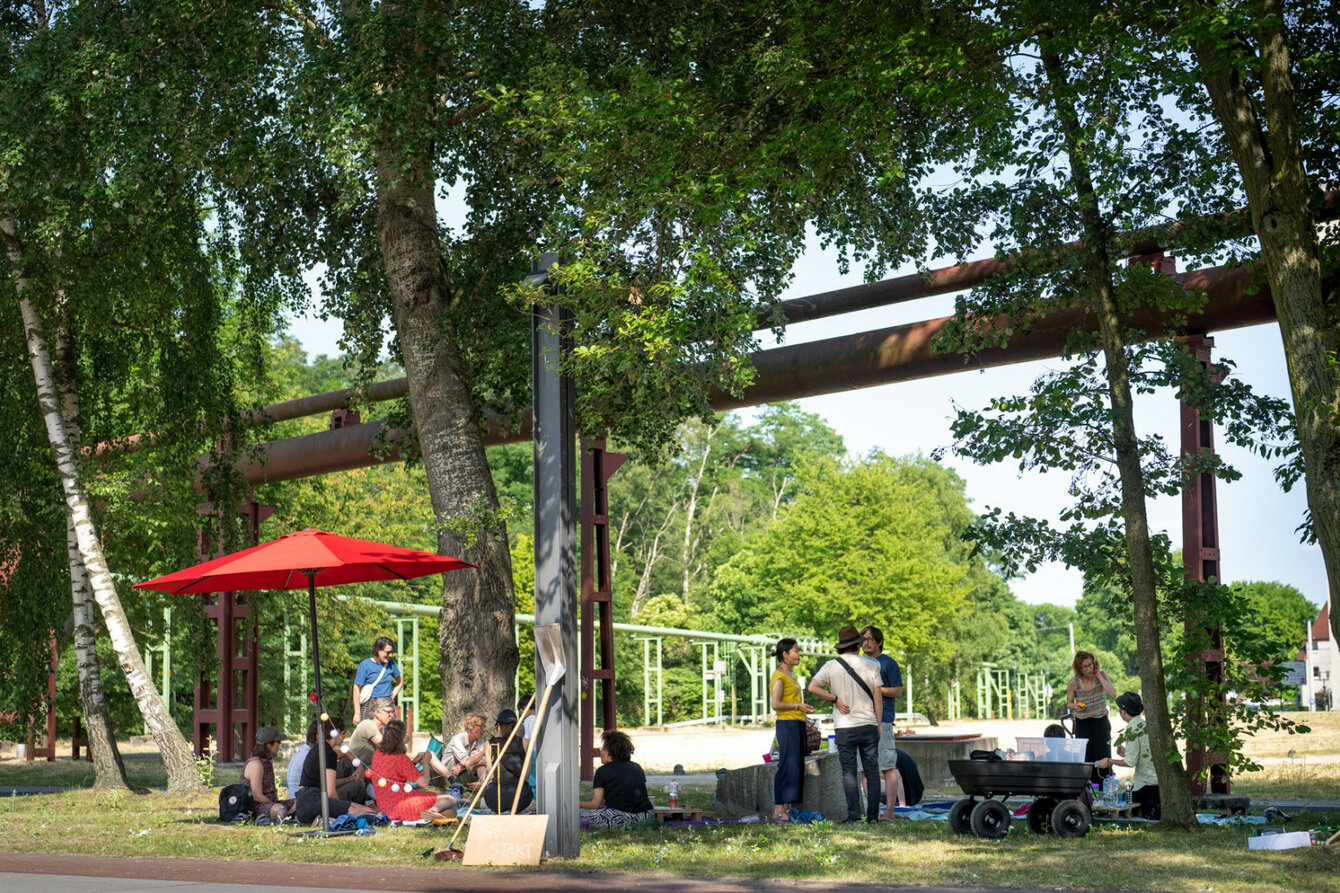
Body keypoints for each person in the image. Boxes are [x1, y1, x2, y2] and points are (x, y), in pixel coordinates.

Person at [808, 624, 883, 823]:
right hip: (868, 724)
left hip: (844, 726)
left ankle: (854, 816)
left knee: (849, 772)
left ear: (841, 646)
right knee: (872, 772)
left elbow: (812, 687)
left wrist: (834, 699)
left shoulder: (831, 666)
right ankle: (874, 817)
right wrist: (879, 725)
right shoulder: (873, 665)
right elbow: (878, 699)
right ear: (858, 646)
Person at [294, 716, 377, 826]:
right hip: (315, 802)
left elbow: (344, 753)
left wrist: (359, 767)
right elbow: (331, 792)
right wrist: (341, 808)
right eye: (343, 733)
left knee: (364, 810)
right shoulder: (329, 754)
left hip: (302, 803)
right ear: (336, 732)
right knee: (370, 813)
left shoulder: (319, 748)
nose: (344, 737)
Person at [370, 719, 459, 822]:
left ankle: (439, 815)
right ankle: (433, 811)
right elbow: (424, 783)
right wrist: (426, 762)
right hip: (402, 805)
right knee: (450, 799)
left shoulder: (377, 754)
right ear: (402, 737)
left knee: (445, 806)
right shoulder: (401, 758)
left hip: (384, 807)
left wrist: (414, 762)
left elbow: (394, 772)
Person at [860, 625, 905, 818]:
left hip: (883, 720)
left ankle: (889, 812)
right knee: (863, 769)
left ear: (879, 642)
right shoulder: (858, 663)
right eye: (863, 639)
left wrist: (878, 690)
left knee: (887, 765)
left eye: (870, 639)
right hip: (861, 720)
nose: (866, 642)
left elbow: (897, 691)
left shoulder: (888, 663)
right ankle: (872, 811)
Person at [769, 637, 814, 823]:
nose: (799, 654)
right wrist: (798, 707)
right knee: (786, 765)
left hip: (796, 723)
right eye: (795, 651)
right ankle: (779, 809)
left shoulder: (792, 676)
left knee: (795, 766)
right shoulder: (779, 676)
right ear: (785, 655)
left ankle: (787, 807)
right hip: (786, 724)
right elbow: (776, 704)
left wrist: (804, 715)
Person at [1096, 692, 1160, 820]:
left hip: (1145, 786)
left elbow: (1130, 762)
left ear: (1123, 712)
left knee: (1119, 802)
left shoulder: (1133, 729)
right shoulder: (1143, 725)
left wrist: (1110, 761)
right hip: (1156, 784)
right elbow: (1143, 756)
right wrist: (1126, 753)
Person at [579, 729, 655, 829]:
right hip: (645, 816)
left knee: (576, 814)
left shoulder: (602, 771)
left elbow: (595, 805)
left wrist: (576, 803)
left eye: (602, 748)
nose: (600, 752)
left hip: (618, 818)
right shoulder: (637, 767)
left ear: (609, 752)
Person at [1066, 650, 1117, 782]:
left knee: (1103, 756)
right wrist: (1075, 706)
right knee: (1086, 757)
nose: (1089, 669)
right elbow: (1069, 703)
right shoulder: (1074, 682)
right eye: (1085, 666)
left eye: (1090, 664)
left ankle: (1105, 787)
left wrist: (1099, 675)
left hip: (1101, 722)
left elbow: (1113, 694)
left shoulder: (1102, 675)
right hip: (1083, 723)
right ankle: (1088, 792)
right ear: (1079, 669)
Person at [241, 726, 297, 825]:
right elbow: (257, 796)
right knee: (280, 809)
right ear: (269, 745)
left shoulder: (266, 762)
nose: (279, 745)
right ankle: (271, 820)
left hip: (272, 803)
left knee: (300, 803)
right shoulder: (256, 764)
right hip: (257, 806)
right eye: (278, 742)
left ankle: (294, 820)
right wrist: (274, 804)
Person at [482, 709, 533, 814]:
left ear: (498, 726)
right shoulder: (525, 743)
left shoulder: (490, 744)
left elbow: (490, 775)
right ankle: (517, 814)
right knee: (525, 789)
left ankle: (496, 814)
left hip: (496, 798)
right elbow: (526, 776)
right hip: (519, 796)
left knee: (486, 798)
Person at [353, 636, 402, 722]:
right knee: (369, 734)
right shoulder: (365, 665)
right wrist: (357, 713)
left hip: (387, 705)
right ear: (378, 650)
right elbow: (356, 689)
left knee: (389, 734)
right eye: (388, 652)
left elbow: (400, 682)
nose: (390, 655)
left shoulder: (392, 664)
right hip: (370, 706)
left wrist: (392, 695)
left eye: (391, 652)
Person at [446, 712, 491, 784]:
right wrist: (484, 751)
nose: (484, 729)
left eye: (484, 726)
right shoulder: (458, 739)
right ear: (470, 726)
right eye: (481, 726)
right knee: (480, 763)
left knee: (481, 764)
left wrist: (463, 765)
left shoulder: (480, 741)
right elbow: (467, 762)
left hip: (465, 774)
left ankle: (484, 786)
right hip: (449, 777)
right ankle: (485, 787)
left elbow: (487, 761)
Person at [348, 702, 393, 769]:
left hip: (362, 768)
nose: (391, 715)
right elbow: (385, 747)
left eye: (391, 712)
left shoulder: (380, 730)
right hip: (352, 769)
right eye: (388, 712)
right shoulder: (368, 724)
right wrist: (402, 740)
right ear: (377, 713)